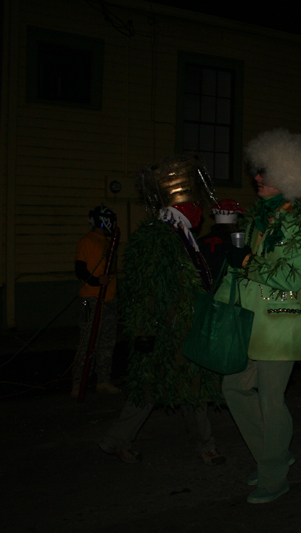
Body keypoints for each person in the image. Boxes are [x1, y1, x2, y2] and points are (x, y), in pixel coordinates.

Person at [217, 128, 301, 504]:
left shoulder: (298, 224)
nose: (257, 178)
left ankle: (273, 475)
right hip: (250, 321)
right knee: (233, 387)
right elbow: (242, 269)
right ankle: (272, 454)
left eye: (265, 172)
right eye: (257, 171)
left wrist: (246, 261)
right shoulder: (260, 219)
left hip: (279, 322)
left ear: (289, 177)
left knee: (270, 399)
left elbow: (291, 277)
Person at [99, 154, 224, 465]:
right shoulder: (158, 235)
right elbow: (142, 288)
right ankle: (117, 440)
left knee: (191, 388)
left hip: (184, 329)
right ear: (183, 207)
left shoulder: (183, 236)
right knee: (149, 390)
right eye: (196, 206)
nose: (201, 213)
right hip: (162, 331)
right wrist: (143, 331)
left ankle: (204, 444)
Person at [73, 205, 120, 397]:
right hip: (92, 299)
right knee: (86, 343)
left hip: (109, 299)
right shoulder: (87, 241)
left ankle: (103, 381)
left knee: (107, 342)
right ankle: (78, 384)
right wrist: (95, 280)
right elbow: (80, 269)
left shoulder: (108, 243)